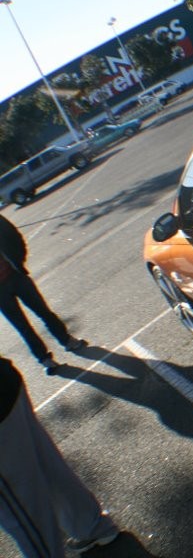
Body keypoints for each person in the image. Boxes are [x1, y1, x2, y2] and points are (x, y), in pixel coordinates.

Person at [0, 355, 119, 557]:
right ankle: (91, 527)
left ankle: (90, 528)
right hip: (6, 383)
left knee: (22, 510)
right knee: (46, 464)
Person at [0, 214, 87, 375]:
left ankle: (67, 340)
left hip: (16, 276)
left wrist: (19, 259)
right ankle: (45, 359)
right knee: (22, 326)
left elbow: (14, 235)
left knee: (44, 312)